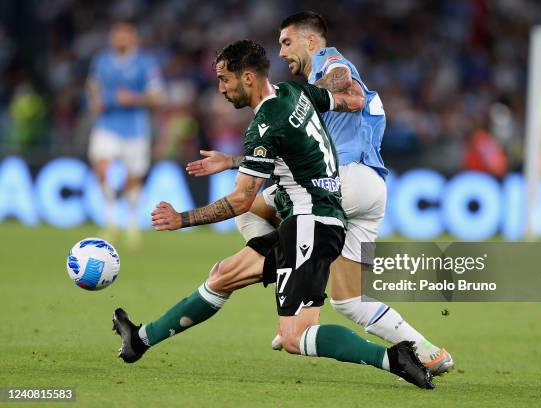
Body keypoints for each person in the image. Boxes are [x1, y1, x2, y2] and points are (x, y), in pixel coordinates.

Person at [112, 39, 434, 390]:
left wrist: (182, 219)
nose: (220, 88)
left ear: (247, 77)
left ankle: (393, 358)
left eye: (225, 80)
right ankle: (139, 340)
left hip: (310, 226)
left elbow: (240, 200)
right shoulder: (295, 93)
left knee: (295, 337)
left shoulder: (265, 124)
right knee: (224, 275)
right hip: (307, 221)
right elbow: (353, 101)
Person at [186, 11, 453, 375]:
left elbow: (345, 84)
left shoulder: (329, 62)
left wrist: (314, 91)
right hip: (371, 189)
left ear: (311, 41)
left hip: (343, 180)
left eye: (286, 42)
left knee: (252, 209)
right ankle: (428, 351)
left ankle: (292, 297)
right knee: (351, 300)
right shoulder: (309, 91)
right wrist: (234, 160)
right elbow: (281, 152)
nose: (280, 53)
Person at [87, 19, 164, 249]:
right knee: (101, 167)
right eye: (116, 34)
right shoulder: (101, 61)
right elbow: (93, 86)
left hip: (135, 129)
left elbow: (157, 96)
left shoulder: (145, 63)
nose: (119, 38)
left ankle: (131, 223)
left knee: (133, 179)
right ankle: (110, 220)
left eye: (124, 34)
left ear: (133, 37)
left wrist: (135, 99)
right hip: (107, 125)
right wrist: (94, 99)